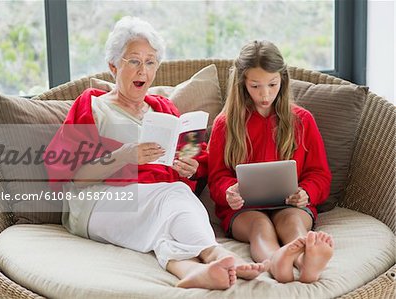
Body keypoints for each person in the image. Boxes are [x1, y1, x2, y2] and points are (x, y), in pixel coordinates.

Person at [44, 17, 267, 290]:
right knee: (173, 195)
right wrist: (124, 156)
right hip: (97, 203)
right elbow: (75, 176)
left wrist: (192, 168)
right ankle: (215, 253)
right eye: (134, 61)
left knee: (170, 205)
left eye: (150, 62)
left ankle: (189, 270)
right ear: (113, 66)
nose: (143, 70)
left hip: (153, 201)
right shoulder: (91, 105)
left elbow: (197, 159)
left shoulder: (164, 109)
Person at [207, 40, 334, 283]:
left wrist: (307, 193)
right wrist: (228, 192)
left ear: (283, 81)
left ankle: (304, 262)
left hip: (292, 205)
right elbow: (217, 177)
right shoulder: (226, 124)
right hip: (244, 210)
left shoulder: (302, 120)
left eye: (272, 84)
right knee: (260, 228)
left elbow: (320, 174)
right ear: (242, 84)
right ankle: (278, 263)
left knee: (294, 225)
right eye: (255, 86)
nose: (265, 94)